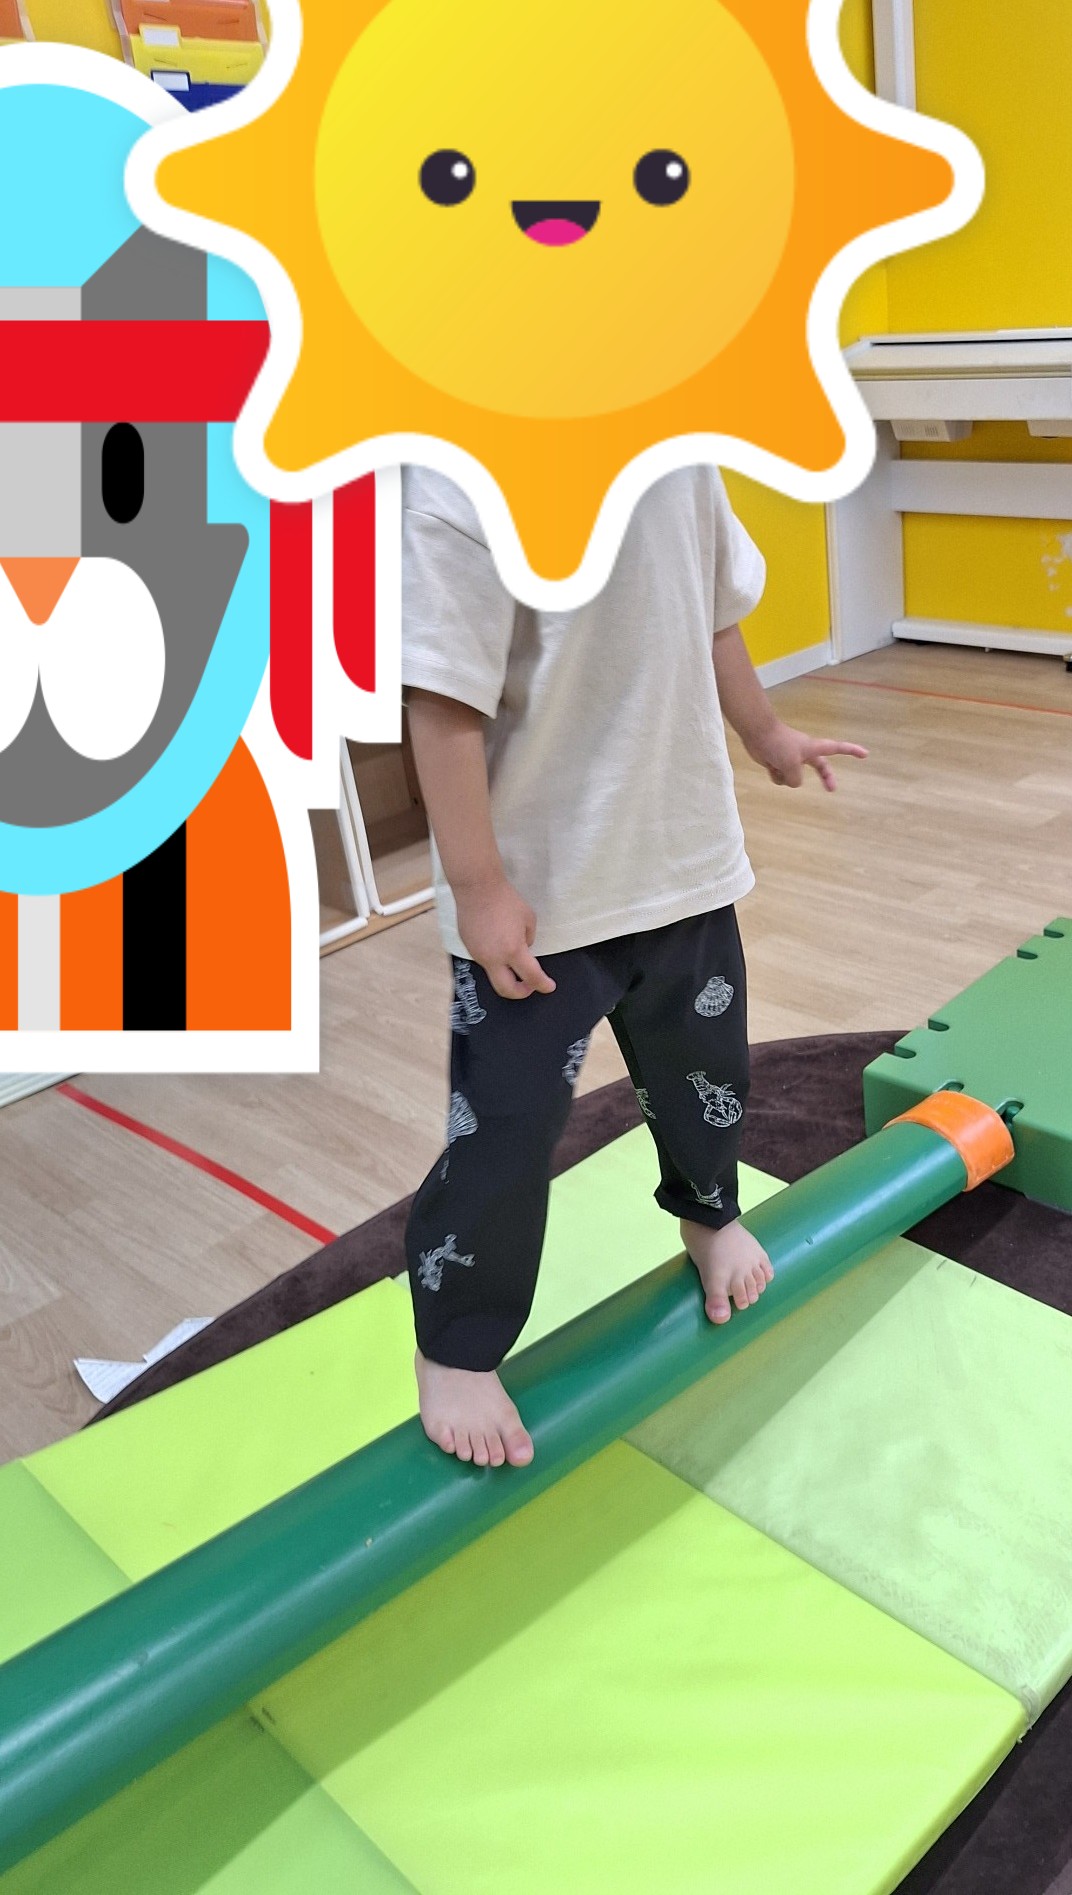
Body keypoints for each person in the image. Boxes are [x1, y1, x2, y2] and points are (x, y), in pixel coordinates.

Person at [401, 465, 866, 1468]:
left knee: (705, 1078)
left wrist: (767, 732)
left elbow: (714, 616)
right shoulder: (461, 479)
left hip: (680, 860)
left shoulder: (679, 457)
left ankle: (708, 1213)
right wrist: (479, 887)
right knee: (506, 1129)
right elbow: (440, 701)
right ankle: (457, 1344)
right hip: (537, 899)